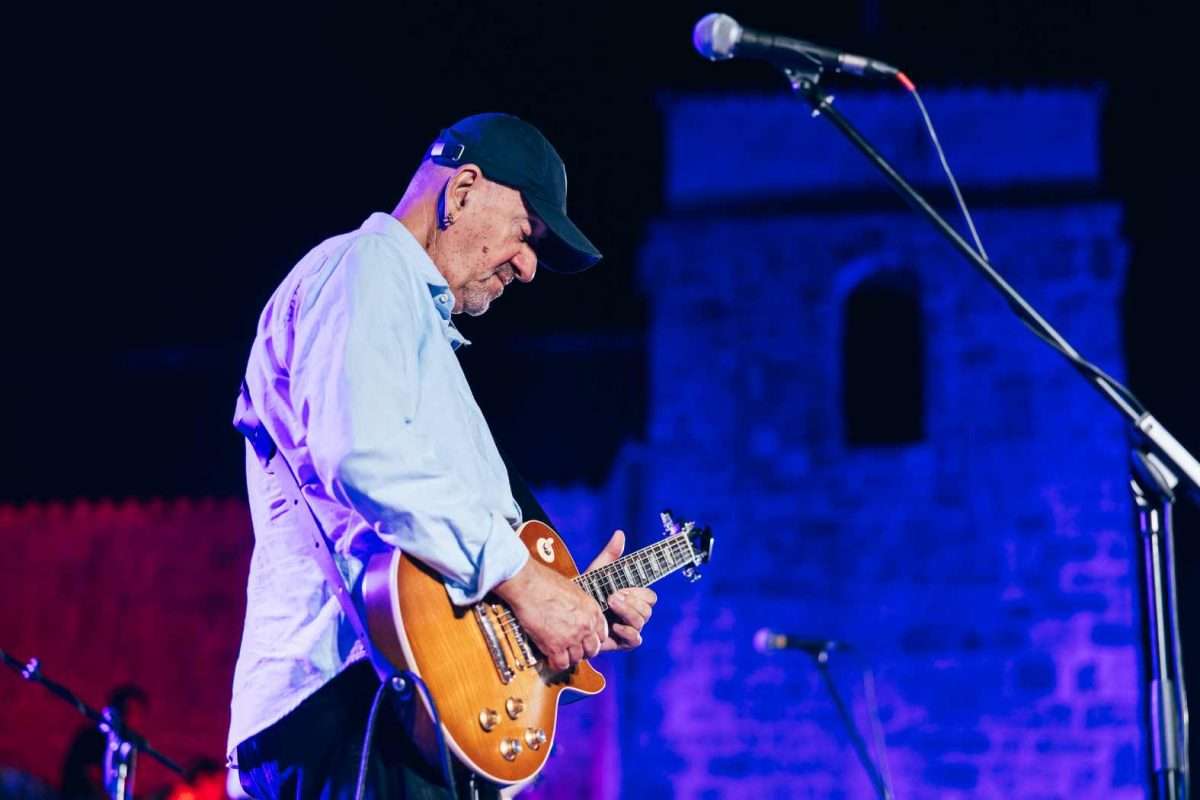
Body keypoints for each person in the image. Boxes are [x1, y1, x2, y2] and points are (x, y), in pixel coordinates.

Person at [228, 113, 657, 800]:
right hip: (355, 706)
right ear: (461, 191)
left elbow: (440, 574)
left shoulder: (418, 333)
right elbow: (364, 453)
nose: (528, 267)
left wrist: (564, 615)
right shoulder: (366, 266)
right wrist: (526, 581)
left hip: (406, 712)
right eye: (526, 234)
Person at [60, 685, 149, 800]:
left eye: (138, 716)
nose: (134, 721)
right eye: (130, 713)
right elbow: (82, 776)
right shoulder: (91, 737)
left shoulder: (127, 749)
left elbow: (124, 789)